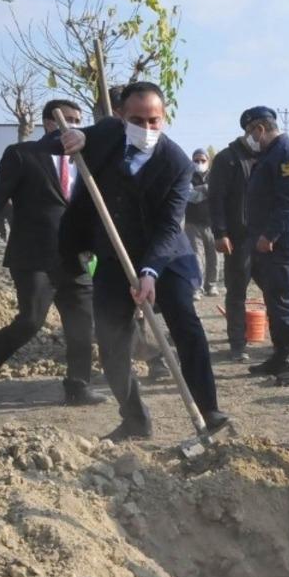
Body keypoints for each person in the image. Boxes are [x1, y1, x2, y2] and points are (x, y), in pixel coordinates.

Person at [56, 81, 228, 441]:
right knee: (110, 338)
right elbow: (55, 141)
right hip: (113, 254)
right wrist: (73, 138)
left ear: (164, 119)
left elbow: (169, 226)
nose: (147, 128)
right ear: (121, 116)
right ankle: (134, 419)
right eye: (138, 120)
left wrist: (149, 273)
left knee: (185, 321)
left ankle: (208, 411)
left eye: (155, 121)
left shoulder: (177, 164)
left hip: (166, 256)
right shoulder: (104, 134)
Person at [0, 99, 105, 408]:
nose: (75, 125)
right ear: (50, 123)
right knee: (31, 320)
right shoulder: (23, 156)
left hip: (75, 256)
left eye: (79, 120)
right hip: (34, 256)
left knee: (81, 325)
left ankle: (78, 385)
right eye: (69, 119)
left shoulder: (86, 159)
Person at [240, 106, 289, 385]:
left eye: (250, 133)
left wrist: (269, 235)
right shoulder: (272, 153)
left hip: (284, 241)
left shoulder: (286, 152)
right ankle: (281, 354)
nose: (249, 139)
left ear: (260, 129)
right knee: (273, 299)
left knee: (283, 299)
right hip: (271, 242)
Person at [208, 113, 260, 362]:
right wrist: (220, 233)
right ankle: (238, 344)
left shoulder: (269, 156)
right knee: (237, 291)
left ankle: (280, 344)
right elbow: (215, 198)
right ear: (250, 130)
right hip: (238, 239)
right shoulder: (227, 159)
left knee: (276, 291)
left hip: (267, 238)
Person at [185, 148, 219, 297]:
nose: (199, 163)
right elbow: (189, 196)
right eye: (196, 160)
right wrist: (206, 190)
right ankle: (196, 288)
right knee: (196, 257)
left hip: (212, 223)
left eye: (202, 160)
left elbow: (218, 193)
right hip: (192, 223)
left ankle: (211, 285)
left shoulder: (215, 176)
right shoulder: (187, 175)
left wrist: (201, 190)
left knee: (214, 257)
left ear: (208, 161)